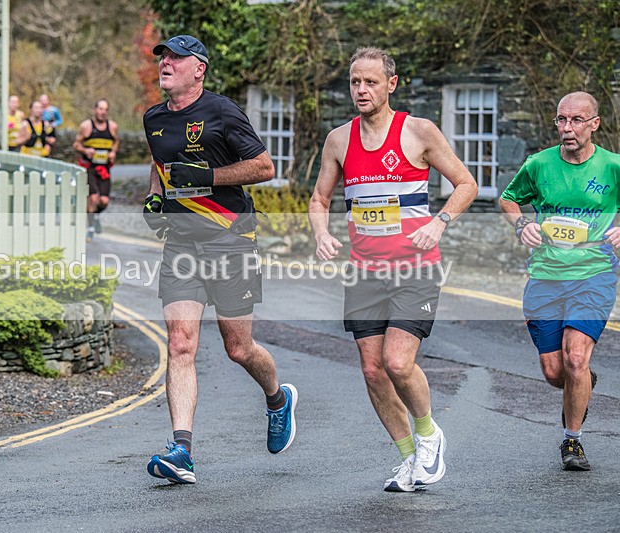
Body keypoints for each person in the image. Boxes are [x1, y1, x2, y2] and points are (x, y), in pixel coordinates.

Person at [309, 47, 477, 492]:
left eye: (370, 82)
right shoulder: (338, 140)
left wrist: (439, 223)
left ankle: (429, 435)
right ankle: (409, 458)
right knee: (371, 370)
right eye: (354, 82)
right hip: (364, 271)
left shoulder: (418, 132)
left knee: (398, 362)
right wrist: (322, 234)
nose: (361, 90)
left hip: (415, 268)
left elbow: (466, 184)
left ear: (391, 84)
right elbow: (319, 199)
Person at [142, 34, 297, 485]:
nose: (165, 63)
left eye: (175, 58)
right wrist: (155, 199)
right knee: (180, 343)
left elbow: (264, 168)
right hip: (181, 245)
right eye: (162, 57)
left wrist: (207, 175)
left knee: (238, 348)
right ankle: (181, 450)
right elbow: (160, 164)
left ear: (199, 69)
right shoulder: (153, 117)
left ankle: (276, 397)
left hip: (230, 240)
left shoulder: (222, 111)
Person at [499, 91, 620, 471]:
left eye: (577, 120)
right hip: (546, 277)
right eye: (561, 120)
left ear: (594, 124)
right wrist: (521, 223)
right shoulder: (539, 164)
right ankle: (582, 381)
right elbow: (508, 200)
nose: (567, 128)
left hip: (594, 275)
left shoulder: (613, 167)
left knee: (576, 357)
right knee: (556, 371)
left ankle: (573, 442)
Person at [74, 99, 119, 242]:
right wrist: (85, 150)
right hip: (90, 168)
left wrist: (113, 152)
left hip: (104, 168)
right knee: (93, 198)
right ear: (95, 110)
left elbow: (116, 141)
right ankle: (90, 229)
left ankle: (96, 216)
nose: (103, 112)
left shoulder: (112, 127)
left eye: (105, 110)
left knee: (104, 201)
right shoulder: (86, 126)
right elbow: (76, 144)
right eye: (100, 109)